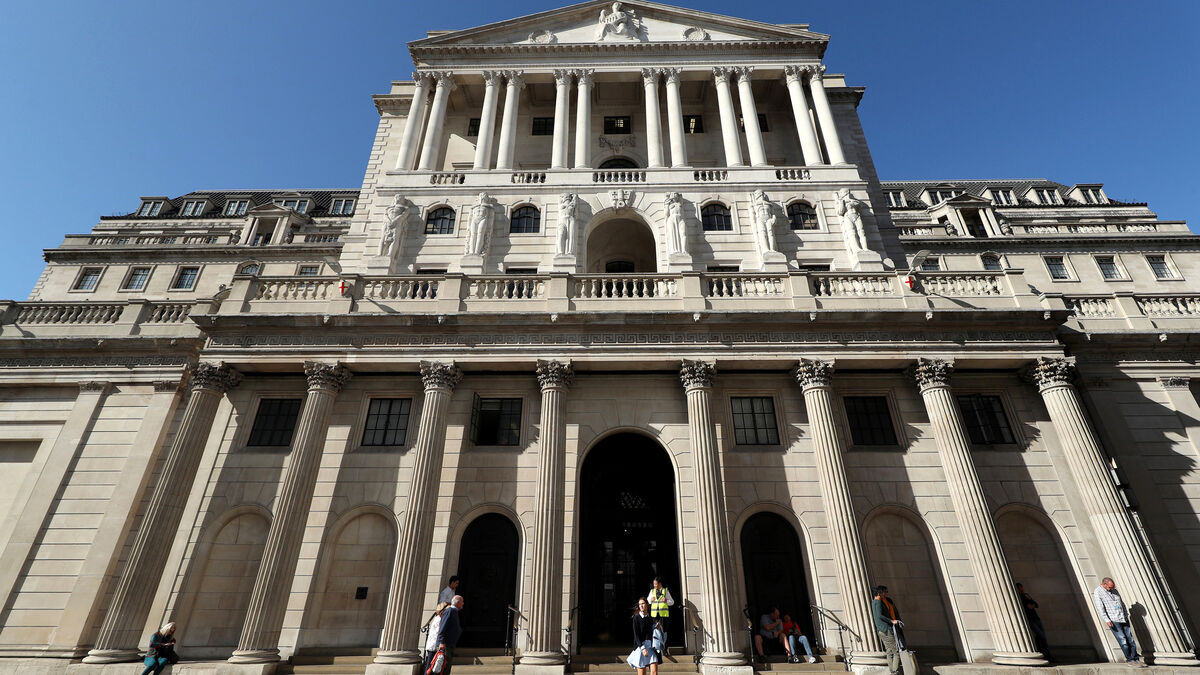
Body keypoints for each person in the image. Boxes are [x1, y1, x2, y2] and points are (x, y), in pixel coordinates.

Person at [1093, 577, 1144, 666]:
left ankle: (1135, 658)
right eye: (1110, 587)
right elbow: (1100, 607)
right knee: (1123, 640)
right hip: (1113, 619)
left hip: (1123, 617)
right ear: (1104, 584)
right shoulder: (1098, 592)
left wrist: (1125, 613)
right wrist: (1107, 619)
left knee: (1130, 639)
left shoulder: (1114, 590)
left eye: (1113, 587)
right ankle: (1130, 659)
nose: (1112, 589)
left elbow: (1121, 602)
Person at [871, 586, 903, 675]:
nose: (885, 594)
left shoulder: (874, 602)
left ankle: (892, 671)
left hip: (882, 630)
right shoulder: (878, 602)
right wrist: (892, 621)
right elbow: (880, 615)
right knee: (896, 651)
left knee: (889, 652)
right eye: (884, 592)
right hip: (886, 629)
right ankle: (895, 671)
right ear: (879, 593)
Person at [1016, 583, 1051, 662]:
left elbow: (1036, 605)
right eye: (1020, 588)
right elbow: (1026, 607)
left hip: (1036, 618)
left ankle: (1041, 653)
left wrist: (1032, 603)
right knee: (1042, 637)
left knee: (1040, 636)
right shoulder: (1018, 598)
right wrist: (1030, 605)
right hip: (1030, 619)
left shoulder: (1026, 595)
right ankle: (1048, 655)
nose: (1022, 590)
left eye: (1022, 588)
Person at [431, 595, 465, 675]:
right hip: (445, 645)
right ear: (457, 602)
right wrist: (441, 642)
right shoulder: (450, 611)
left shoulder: (454, 611)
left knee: (446, 667)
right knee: (443, 667)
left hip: (450, 644)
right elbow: (443, 627)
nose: (463, 603)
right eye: (462, 602)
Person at [630, 597, 661, 675]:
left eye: (643, 603)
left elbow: (651, 632)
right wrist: (642, 648)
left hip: (651, 647)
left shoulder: (651, 618)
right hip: (641, 647)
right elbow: (636, 635)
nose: (641, 605)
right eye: (640, 604)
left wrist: (656, 627)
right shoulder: (636, 618)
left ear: (647, 605)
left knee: (654, 672)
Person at [646, 577, 674, 654]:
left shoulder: (665, 591)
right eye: (654, 584)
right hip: (654, 615)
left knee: (664, 632)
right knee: (655, 631)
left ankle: (664, 649)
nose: (654, 585)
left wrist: (666, 601)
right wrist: (650, 600)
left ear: (660, 584)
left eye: (656, 584)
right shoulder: (652, 591)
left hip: (663, 615)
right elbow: (647, 601)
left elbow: (672, 602)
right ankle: (656, 648)